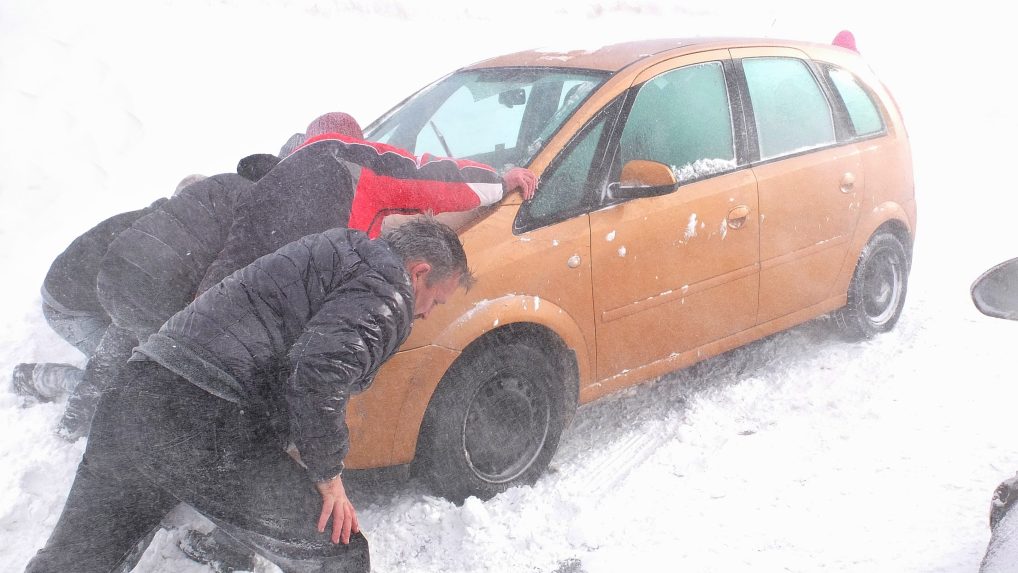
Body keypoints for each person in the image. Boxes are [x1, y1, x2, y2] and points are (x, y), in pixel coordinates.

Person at [25, 216, 471, 573]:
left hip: (137, 391)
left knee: (77, 560)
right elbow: (318, 375)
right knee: (336, 551)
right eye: (437, 300)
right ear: (419, 272)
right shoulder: (387, 289)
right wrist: (328, 476)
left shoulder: (336, 246)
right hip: (200, 418)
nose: (429, 313)